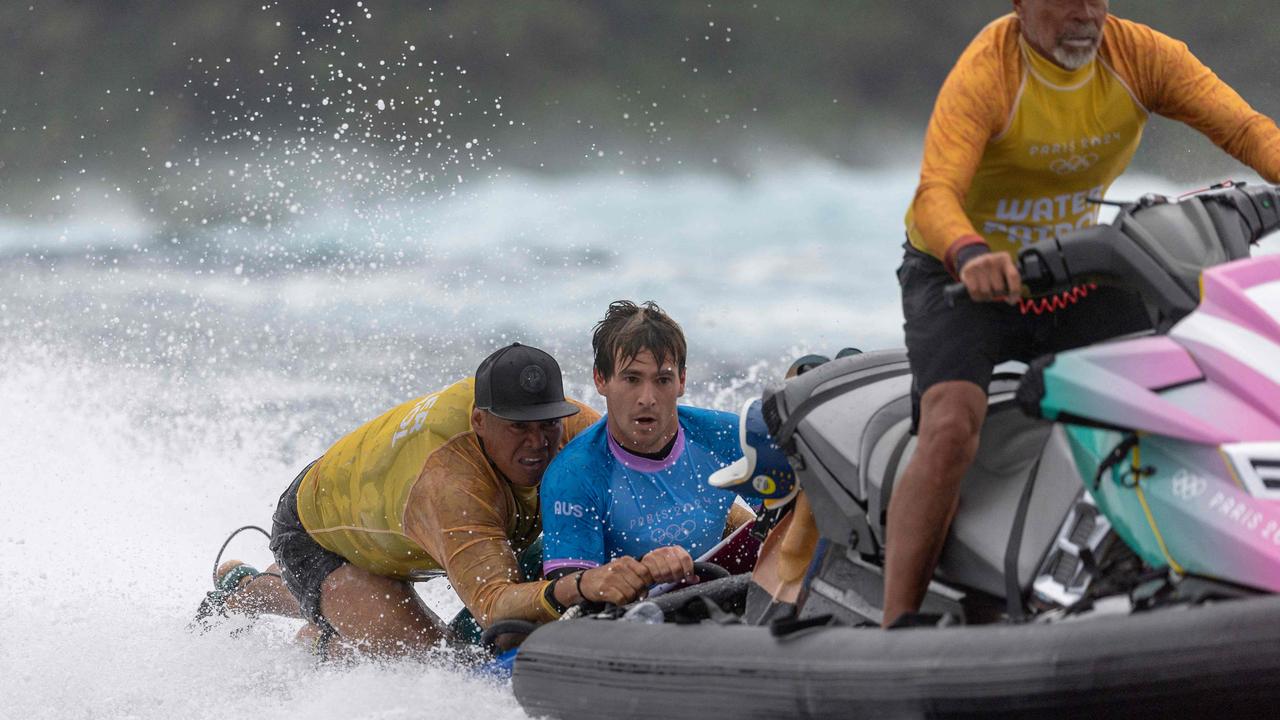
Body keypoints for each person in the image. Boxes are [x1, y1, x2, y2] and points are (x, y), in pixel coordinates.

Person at [885, 0, 1280, 627]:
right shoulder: (991, 69)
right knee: (953, 425)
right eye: (1066, 0)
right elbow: (936, 192)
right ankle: (895, 624)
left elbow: (1245, 129)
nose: (1086, 13)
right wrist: (971, 254)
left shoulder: (1142, 55)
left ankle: (1190, 562)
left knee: (1176, 393)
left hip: (1071, 275)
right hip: (962, 278)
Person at [201, 343, 664, 657]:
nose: (538, 443)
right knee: (436, 661)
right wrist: (583, 587)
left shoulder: (573, 430)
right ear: (481, 423)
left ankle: (337, 618)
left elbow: (659, 483)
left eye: (545, 424)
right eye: (518, 427)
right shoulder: (451, 486)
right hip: (319, 535)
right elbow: (494, 606)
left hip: (390, 505)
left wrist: (736, 533)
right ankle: (251, 593)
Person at [539, 301, 755, 593]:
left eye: (663, 379)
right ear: (600, 380)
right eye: (631, 379)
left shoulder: (728, 437)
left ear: (681, 381)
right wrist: (641, 570)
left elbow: (798, 520)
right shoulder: (574, 474)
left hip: (722, 597)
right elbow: (572, 602)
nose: (647, 398)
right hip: (632, 622)